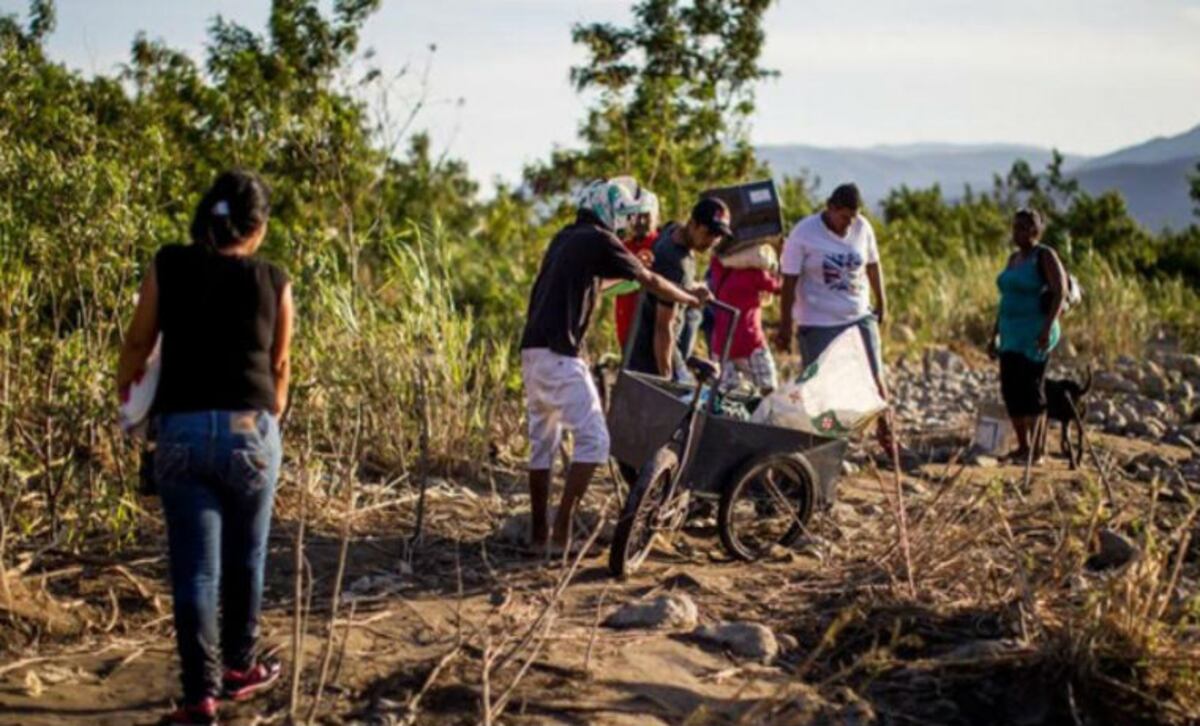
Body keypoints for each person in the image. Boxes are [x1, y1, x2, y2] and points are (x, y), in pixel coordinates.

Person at [116, 170, 293, 725]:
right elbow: (280, 367)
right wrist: (271, 414)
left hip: (182, 432)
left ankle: (200, 698)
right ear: (258, 228)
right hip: (250, 430)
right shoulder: (274, 280)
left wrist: (126, 398)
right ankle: (240, 666)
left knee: (196, 570)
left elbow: (140, 341)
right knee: (247, 556)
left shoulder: (168, 264)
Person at [519, 178, 708, 555]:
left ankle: (539, 535)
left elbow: (595, 286)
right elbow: (652, 280)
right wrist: (689, 297)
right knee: (595, 440)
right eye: (629, 218)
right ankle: (563, 534)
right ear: (615, 212)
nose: (631, 226)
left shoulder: (567, 237)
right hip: (561, 354)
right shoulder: (598, 239)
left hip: (534, 353)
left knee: (543, 445)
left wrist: (628, 272)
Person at [775, 183, 893, 449]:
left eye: (853, 218)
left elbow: (873, 265)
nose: (848, 224)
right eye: (843, 218)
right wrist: (786, 326)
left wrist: (881, 302)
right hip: (818, 321)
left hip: (857, 315)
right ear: (830, 208)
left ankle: (889, 439)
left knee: (875, 377)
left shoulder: (862, 227)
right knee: (820, 387)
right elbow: (789, 283)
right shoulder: (804, 233)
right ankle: (823, 444)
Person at [988, 208, 1065, 463]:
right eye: (1015, 227)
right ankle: (1023, 446)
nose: (1017, 232)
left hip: (1035, 334)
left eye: (1023, 228)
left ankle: (1038, 450)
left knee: (1032, 389)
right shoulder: (1013, 259)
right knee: (1011, 390)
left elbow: (1059, 291)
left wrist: (1046, 328)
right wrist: (994, 334)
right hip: (1010, 334)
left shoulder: (1044, 256)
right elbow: (1005, 300)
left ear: (1035, 231)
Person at [628, 197, 731, 379]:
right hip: (654, 361)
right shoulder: (675, 262)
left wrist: (694, 288)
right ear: (692, 224)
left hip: (665, 352)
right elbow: (663, 328)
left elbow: (677, 285)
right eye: (709, 233)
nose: (713, 241)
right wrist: (666, 380)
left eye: (718, 236)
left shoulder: (672, 230)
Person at [709, 243, 782, 393]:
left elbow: (715, 255)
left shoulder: (720, 269)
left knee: (727, 393)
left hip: (722, 344)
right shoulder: (757, 275)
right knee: (768, 387)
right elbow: (780, 287)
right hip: (751, 342)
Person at [614, 190, 659, 351]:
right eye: (634, 216)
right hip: (625, 326)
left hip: (648, 329)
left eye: (644, 216)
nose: (639, 221)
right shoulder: (623, 246)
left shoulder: (660, 245)